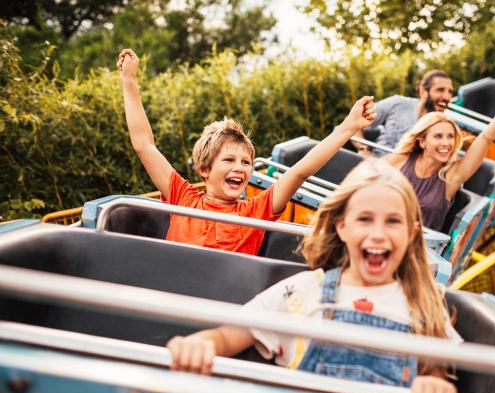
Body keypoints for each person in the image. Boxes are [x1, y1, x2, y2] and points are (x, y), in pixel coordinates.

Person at [167, 160, 461, 393]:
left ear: (411, 233)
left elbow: (434, 370)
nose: (378, 234)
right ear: (341, 227)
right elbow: (229, 335)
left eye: (393, 222)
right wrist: (200, 345)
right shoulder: (304, 291)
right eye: (365, 219)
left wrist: (434, 385)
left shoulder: (422, 299)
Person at [117, 49, 376, 255]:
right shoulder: (183, 198)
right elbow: (144, 145)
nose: (240, 168)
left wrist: (348, 127)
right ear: (204, 169)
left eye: (246, 162)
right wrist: (129, 82)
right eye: (229, 160)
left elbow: (300, 171)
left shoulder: (254, 212)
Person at [386, 60, 495, 232]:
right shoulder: (401, 160)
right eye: (438, 136)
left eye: (450, 137)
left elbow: (487, 135)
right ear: (422, 141)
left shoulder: (450, 177)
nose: (446, 143)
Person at [354, 70, 453, 157]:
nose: (446, 97)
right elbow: (355, 122)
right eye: (440, 90)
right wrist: (363, 149)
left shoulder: (444, 126)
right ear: (423, 91)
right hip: (376, 165)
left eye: (450, 92)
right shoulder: (398, 103)